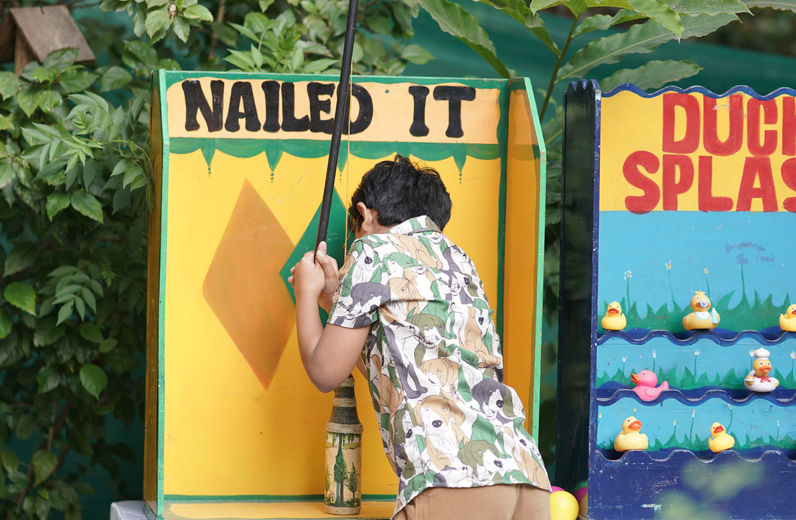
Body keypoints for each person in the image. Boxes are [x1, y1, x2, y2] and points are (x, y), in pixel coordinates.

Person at [288, 155, 550, 520]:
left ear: (365, 215)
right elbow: (395, 361)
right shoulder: (458, 259)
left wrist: (305, 292)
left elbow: (325, 372)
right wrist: (334, 300)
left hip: (452, 479)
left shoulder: (371, 251)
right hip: (524, 473)